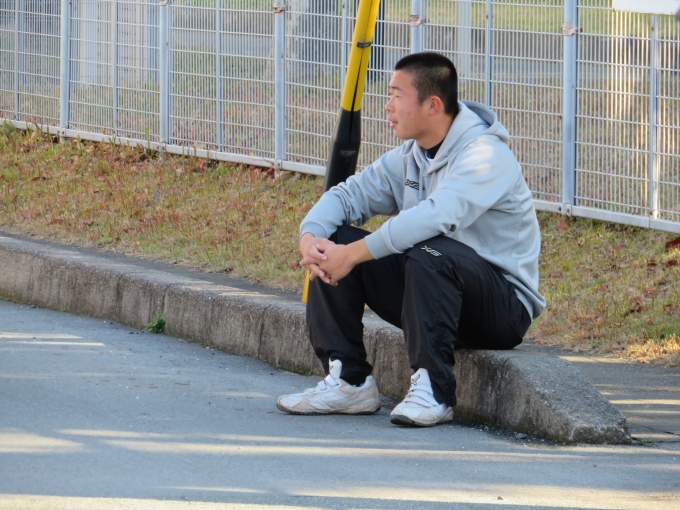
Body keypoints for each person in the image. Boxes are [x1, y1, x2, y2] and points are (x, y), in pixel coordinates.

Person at [276, 52, 546, 427]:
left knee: (428, 248)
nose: (387, 106)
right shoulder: (411, 156)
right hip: (434, 293)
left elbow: (436, 216)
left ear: (432, 105)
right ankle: (349, 382)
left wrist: (352, 255)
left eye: (396, 95)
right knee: (334, 237)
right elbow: (347, 195)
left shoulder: (486, 155)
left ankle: (434, 391)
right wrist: (311, 238)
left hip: (499, 309)